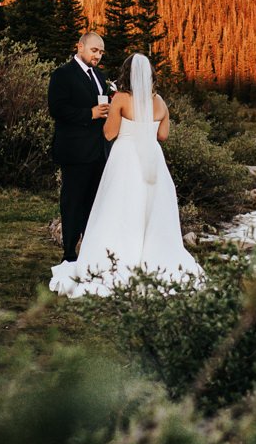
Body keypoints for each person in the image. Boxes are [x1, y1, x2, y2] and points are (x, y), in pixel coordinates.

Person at [49, 52, 203, 295]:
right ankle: (153, 259)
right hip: (153, 162)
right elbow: (162, 136)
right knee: (151, 210)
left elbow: (109, 133)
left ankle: (116, 258)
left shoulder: (121, 98)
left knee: (120, 208)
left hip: (126, 160)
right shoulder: (160, 102)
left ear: (127, 74)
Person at [48, 31, 113, 264]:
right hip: (74, 151)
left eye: (101, 52)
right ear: (80, 47)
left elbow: (100, 106)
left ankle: (89, 249)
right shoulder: (62, 74)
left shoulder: (100, 75)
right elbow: (57, 109)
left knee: (93, 202)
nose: (98, 56)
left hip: (98, 151)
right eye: (94, 50)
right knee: (73, 201)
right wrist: (90, 113)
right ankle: (69, 253)